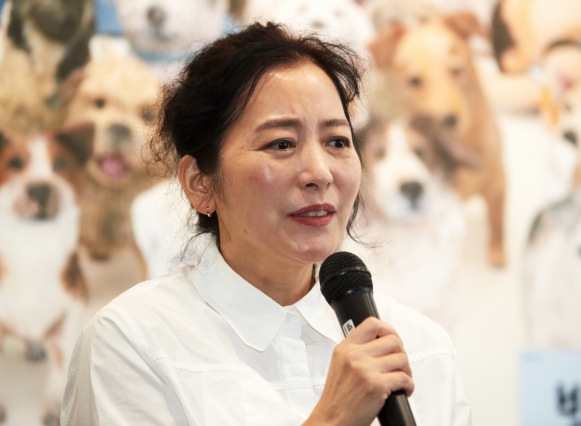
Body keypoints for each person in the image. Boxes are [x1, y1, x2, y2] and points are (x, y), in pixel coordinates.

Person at [61, 22, 471, 425]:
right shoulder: (132, 342)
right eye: (281, 143)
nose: (320, 172)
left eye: (337, 142)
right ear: (199, 182)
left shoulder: (421, 350)